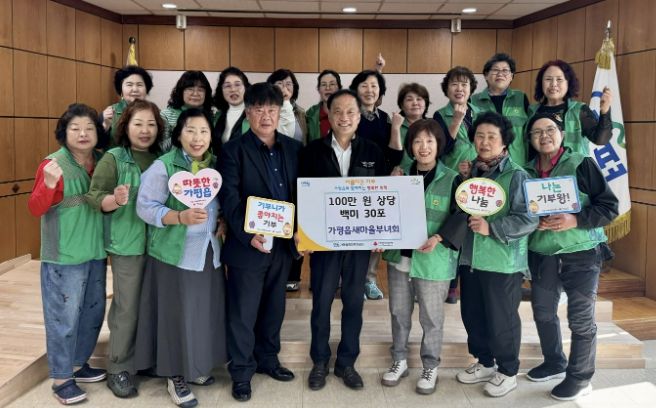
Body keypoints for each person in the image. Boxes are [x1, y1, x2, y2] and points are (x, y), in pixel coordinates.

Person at [135, 108, 227, 408]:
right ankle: (175, 375)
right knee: (175, 316)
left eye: (204, 131)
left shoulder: (215, 166)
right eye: (190, 130)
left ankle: (195, 366)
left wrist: (223, 219)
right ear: (178, 135)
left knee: (201, 312)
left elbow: (220, 204)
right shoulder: (164, 167)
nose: (197, 138)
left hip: (208, 252)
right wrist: (178, 217)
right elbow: (144, 207)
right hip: (174, 254)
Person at [524, 112, 618, 401]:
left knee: (580, 319)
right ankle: (554, 361)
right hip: (542, 253)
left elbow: (609, 207)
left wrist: (575, 219)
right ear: (530, 139)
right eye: (537, 132)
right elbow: (523, 212)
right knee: (543, 312)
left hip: (581, 253)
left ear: (562, 134)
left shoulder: (581, 163)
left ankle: (580, 377)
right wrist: (534, 222)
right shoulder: (525, 171)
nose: (544, 136)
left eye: (550, 130)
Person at [218, 83, 302, 402]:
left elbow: (302, 193)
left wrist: (301, 231)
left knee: (274, 307)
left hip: (283, 245)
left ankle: (268, 359)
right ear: (248, 113)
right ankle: (241, 371)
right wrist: (247, 233)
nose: (265, 116)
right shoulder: (233, 150)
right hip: (248, 246)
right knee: (243, 311)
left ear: (280, 112)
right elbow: (229, 199)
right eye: (258, 109)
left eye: (271, 109)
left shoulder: (294, 149)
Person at [299, 89, 387, 391]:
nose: (344, 117)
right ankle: (320, 361)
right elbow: (302, 194)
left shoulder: (373, 152)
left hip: (359, 244)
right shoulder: (312, 151)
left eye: (351, 111)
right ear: (329, 114)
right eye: (338, 111)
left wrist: (381, 233)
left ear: (359, 117)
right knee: (321, 303)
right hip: (324, 244)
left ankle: (347, 362)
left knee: (353, 303)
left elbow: (383, 196)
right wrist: (303, 232)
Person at [28, 103, 110, 405]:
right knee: (63, 318)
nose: (83, 133)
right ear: (64, 133)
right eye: (75, 128)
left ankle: (78, 364)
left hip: (95, 252)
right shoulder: (53, 165)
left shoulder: (101, 161)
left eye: (89, 128)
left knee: (92, 313)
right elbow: (35, 208)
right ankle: (62, 378)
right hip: (63, 256)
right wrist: (48, 185)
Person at [455, 112, 538, 398]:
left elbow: (529, 218)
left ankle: (508, 371)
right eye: (480, 136)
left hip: (502, 262)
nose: (485, 141)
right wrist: (464, 178)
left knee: (502, 319)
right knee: (473, 314)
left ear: (504, 142)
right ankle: (485, 362)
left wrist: (492, 228)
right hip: (471, 258)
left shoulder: (516, 175)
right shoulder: (473, 173)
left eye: (492, 136)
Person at [86, 100, 163, 398]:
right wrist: (115, 201)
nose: (145, 130)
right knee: (127, 307)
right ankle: (118, 367)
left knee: (151, 305)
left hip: (159, 245)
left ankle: (144, 361)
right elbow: (95, 197)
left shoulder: (162, 158)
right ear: (125, 126)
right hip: (127, 244)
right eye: (138, 124)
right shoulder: (115, 158)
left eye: (151, 124)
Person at [381, 119, 462, 395]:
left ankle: (430, 365)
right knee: (398, 312)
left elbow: (460, 216)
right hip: (400, 258)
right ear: (410, 146)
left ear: (439, 145)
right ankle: (399, 360)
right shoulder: (399, 175)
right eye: (417, 141)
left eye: (430, 141)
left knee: (432, 317)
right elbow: (382, 212)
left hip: (433, 260)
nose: (423, 147)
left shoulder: (452, 178)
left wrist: (439, 237)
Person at [349, 69, 403, 301]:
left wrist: (396, 128)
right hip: (352, 182)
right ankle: (351, 279)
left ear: (380, 91)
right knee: (352, 232)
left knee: (374, 233)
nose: (369, 90)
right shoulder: (350, 114)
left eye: (374, 86)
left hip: (378, 183)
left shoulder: (385, 118)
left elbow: (394, 154)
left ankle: (369, 279)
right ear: (356, 89)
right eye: (364, 85)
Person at [266, 68, 308, 292]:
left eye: (289, 84)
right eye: (280, 84)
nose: (285, 88)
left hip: (296, 173)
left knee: (297, 222)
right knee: (274, 221)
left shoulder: (301, 113)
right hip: (272, 172)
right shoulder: (267, 111)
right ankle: (272, 272)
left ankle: (293, 274)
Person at [528, 60, 612, 156]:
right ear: (541, 83)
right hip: (538, 166)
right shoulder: (532, 111)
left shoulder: (578, 110)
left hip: (573, 165)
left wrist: (605, 111)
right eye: (548, 79)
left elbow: (601, 139)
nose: (553, 84)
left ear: (568, 83)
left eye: (559, 79)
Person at [471, 53, 530, 166]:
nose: (500, 74)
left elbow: (529, 134)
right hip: (484, 166)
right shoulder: (473, 101)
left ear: (511, 76)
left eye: (505, 70)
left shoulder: (521, 98)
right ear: (486, 75)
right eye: (495, 70)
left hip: (517, 165)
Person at [433, 66, 480, 172]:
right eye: (454, 84)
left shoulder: (480, 113)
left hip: (479, 174)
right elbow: (441, 150)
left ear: (471, 89)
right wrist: (456, 122)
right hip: (452, 173)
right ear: (446, 89)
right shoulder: (439, 115)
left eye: (464, 84)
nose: (459, 89)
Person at [160, 70, 217, 151]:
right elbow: (162, 148)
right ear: (181, 91)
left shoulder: (212, 116)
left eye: (200, 90)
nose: (195, 94)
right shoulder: (166, 115)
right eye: (190, 89)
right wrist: (180, 131)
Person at [102, 66, 153, 142]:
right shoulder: (110, 112)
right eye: (129, 85)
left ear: (146, 89)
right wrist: (105, 127)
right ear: (121, 89)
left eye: (139, 85)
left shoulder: (154, 112)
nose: (135, 89)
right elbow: (99, 143)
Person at [390, 82, 431, 173]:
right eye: (409, 99)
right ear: (402, 105)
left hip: (429, 175)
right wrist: (395, 128)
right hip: (402, 176)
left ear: (426, 103)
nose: (415, 103)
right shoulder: (393, 126)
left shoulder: (433, 126)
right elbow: (392, 158)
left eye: (419, 99)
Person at [212, 66, 251, 148]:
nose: (233, 89)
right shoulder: (217, 116)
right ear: (221, 90)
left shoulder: (254, 114)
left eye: (237, 85)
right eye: (227, 86)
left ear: (246, 87)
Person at [306, 70, 342, 142]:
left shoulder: (349, 113)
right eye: (323, 84)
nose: (327, 88)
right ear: (318, 89)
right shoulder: (310, 114)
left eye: (332, 84)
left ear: (339, 88)